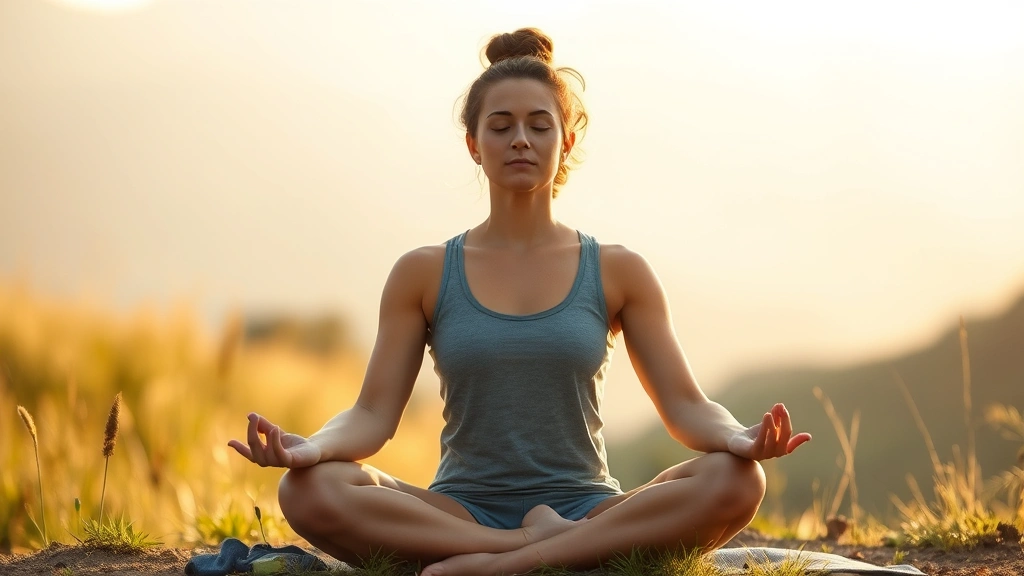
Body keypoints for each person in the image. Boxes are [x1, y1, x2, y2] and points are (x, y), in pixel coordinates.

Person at [229, 27, 811, 576]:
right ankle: (535, 551)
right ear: (473, 144)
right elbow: (371, 416)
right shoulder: (424, 273)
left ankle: (503, 566)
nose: (521, 140)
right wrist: (314, 448)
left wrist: (737, 437)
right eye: (501, 126)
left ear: (567, 140)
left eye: (539, 125)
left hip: (587, 508)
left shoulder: (618, 270)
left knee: (738, 481)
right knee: (307, 489)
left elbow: (687, 406)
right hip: (458, 513)